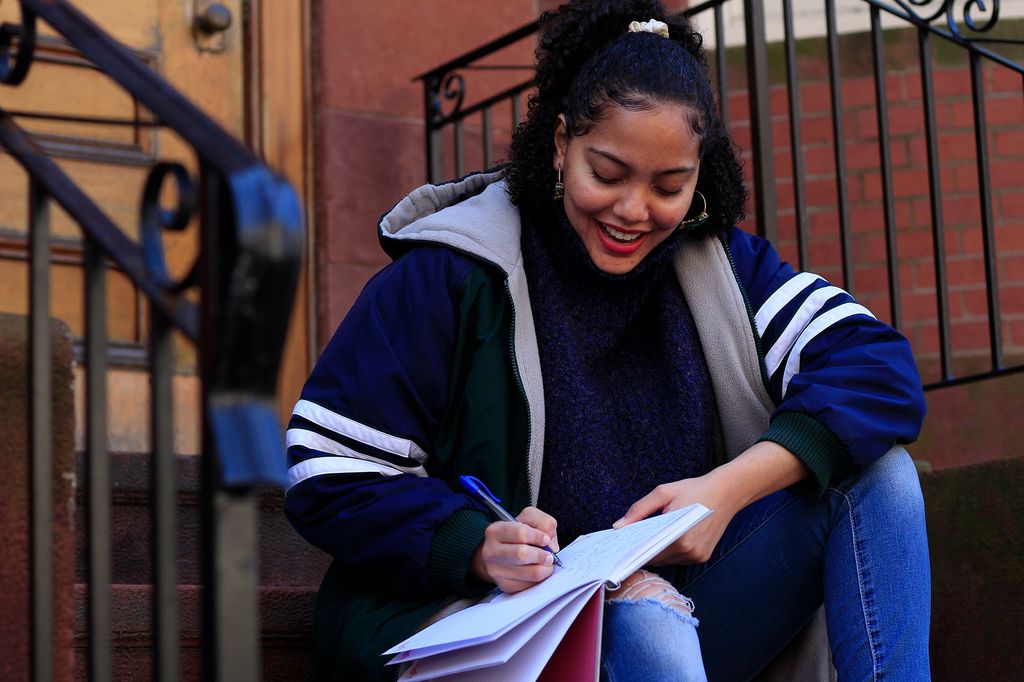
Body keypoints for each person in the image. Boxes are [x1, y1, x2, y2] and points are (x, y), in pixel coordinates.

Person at [284, 1, 931, 680]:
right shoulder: (451, 275)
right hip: (496, 630)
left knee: (878, 477)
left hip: (689, 616)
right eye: (609, 173)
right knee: (646, 620)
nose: (633, 211)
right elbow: (326, 470)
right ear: (561, 144)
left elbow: (878, 367)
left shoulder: (725, 271)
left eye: (669, 186)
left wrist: (729, 490)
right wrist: (474, 545)